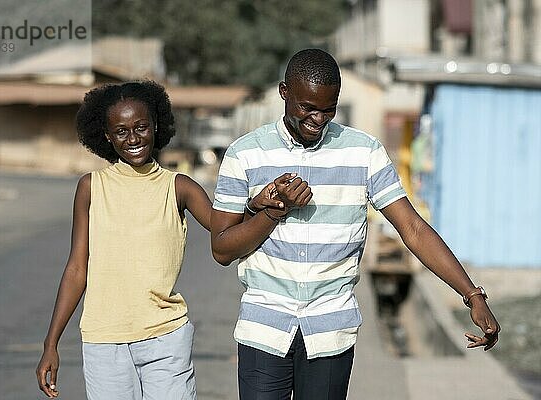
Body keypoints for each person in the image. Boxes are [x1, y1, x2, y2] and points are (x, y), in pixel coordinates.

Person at [210, 49, 500, 400]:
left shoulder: (363, 153)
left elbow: (413, 229)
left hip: (331, 331)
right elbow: (222, 248)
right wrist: (273, 212)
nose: (317, 119)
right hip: (263, 327)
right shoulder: (245, 154)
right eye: (307, 108)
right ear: (284, 92)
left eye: (328, 109)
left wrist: (472, 295)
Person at [35, 81, 278, 400]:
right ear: (107, 136)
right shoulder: (91, 188)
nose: (133, 138)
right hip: (104, 344)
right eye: (121, 131)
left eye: (141, 127)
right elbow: (77, 269)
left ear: (156, 126)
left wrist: (264, 208)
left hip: (165, 339)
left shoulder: (180, 187)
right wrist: (50, 344)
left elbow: (226, 233)